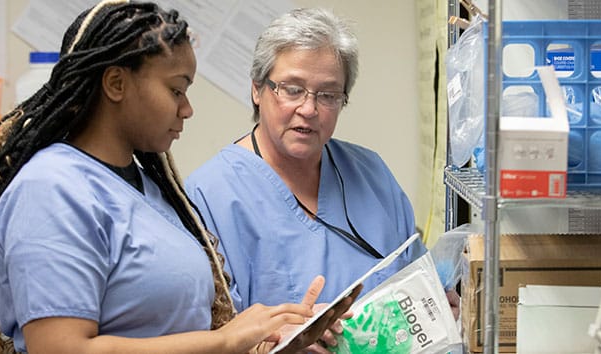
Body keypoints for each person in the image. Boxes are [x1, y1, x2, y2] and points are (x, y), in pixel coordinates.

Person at [0, 1, 359, 353]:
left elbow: (171, 334)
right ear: (116, 83)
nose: (187, 109)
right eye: (176, 90)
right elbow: (61, 348)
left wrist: (274, 341)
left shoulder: (146, 190)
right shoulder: (52, 189)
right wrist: (227, 340)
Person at [185, 7, 460, 350]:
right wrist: (281, 343)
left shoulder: (371, 174)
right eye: (292, 89)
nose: (309, 109)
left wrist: (441, 305)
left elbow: (418, 279)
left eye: (328, 95)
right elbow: (209, 339)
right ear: (257, 89)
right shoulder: (207, 195)